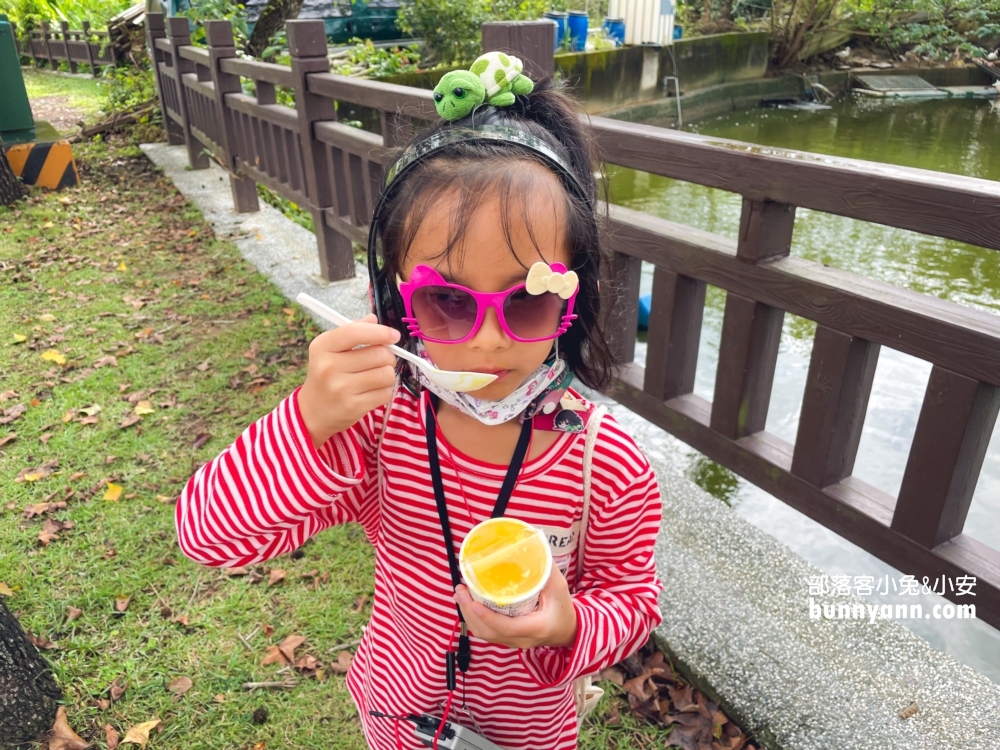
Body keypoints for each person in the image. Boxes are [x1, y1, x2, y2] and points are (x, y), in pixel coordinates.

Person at [175, 60, 663, 750]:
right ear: (393, 302)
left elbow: (634, 601)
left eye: (527, 301)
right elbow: (209, 538)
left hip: (531, 736)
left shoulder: (604, 463)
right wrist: (306, 422)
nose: (489, 342)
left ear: (573, 297)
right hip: (398, 720)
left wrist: (568, 627)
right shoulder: (381, 428)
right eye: (447, 300)